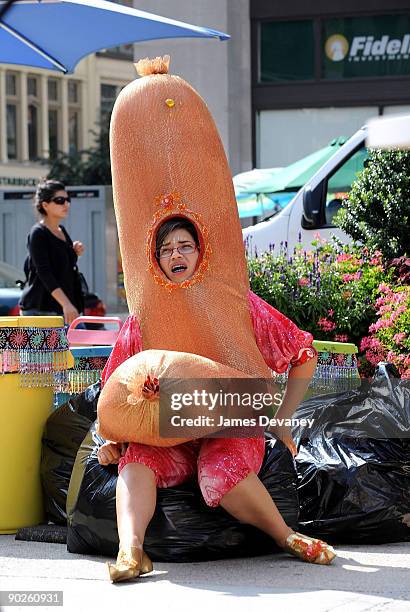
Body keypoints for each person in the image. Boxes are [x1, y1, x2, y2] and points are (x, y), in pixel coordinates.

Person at [97, 217, 336, 583]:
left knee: (218, 473)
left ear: (200, 252)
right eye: (166, 250)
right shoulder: (141, 320)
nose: (175, 254)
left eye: (184, 246)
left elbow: (303, 352)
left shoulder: (236, 304)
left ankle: (284, 535)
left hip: (230, 428)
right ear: (157, 261)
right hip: (167, 434)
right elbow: (114, 388)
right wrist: (112, 439)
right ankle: (131, 551)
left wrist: (282, 418)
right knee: (136, 460)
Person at [19, 179, 85, 324]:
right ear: (45, 205)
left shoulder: (62, 231)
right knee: (77, 346)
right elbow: (44, 273)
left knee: (82, 346)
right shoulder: (38, 233)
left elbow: (62, 267)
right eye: (60, 200)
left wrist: (75, 253)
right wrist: (66, 304)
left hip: (65, 309)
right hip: (41, 311)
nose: (66, 204)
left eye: (68, 199)